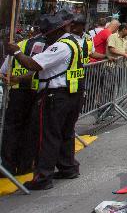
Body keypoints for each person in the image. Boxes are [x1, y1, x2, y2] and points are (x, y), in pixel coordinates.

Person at [5, 12, 84, 190]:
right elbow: (48, 70)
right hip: (72, 94)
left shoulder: (60, 47)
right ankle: (67, 167)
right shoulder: (74, 42)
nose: (45, 37)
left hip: (56, 96)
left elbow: (34, 65)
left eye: (47, 33)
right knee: (65, 133)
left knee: (47, 136)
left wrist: (16, 51)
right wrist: (20, 79)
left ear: (58, 30)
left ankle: (42, 177)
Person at [0, 28, 45, 175]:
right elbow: (37, 68)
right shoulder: (47, 45)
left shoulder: (18, 45)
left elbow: (3, 69)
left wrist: (9, 78)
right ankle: (24, 165)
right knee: (30, 129)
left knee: (12, 129)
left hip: (16, 92)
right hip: (35, 92)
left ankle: (8, 165)